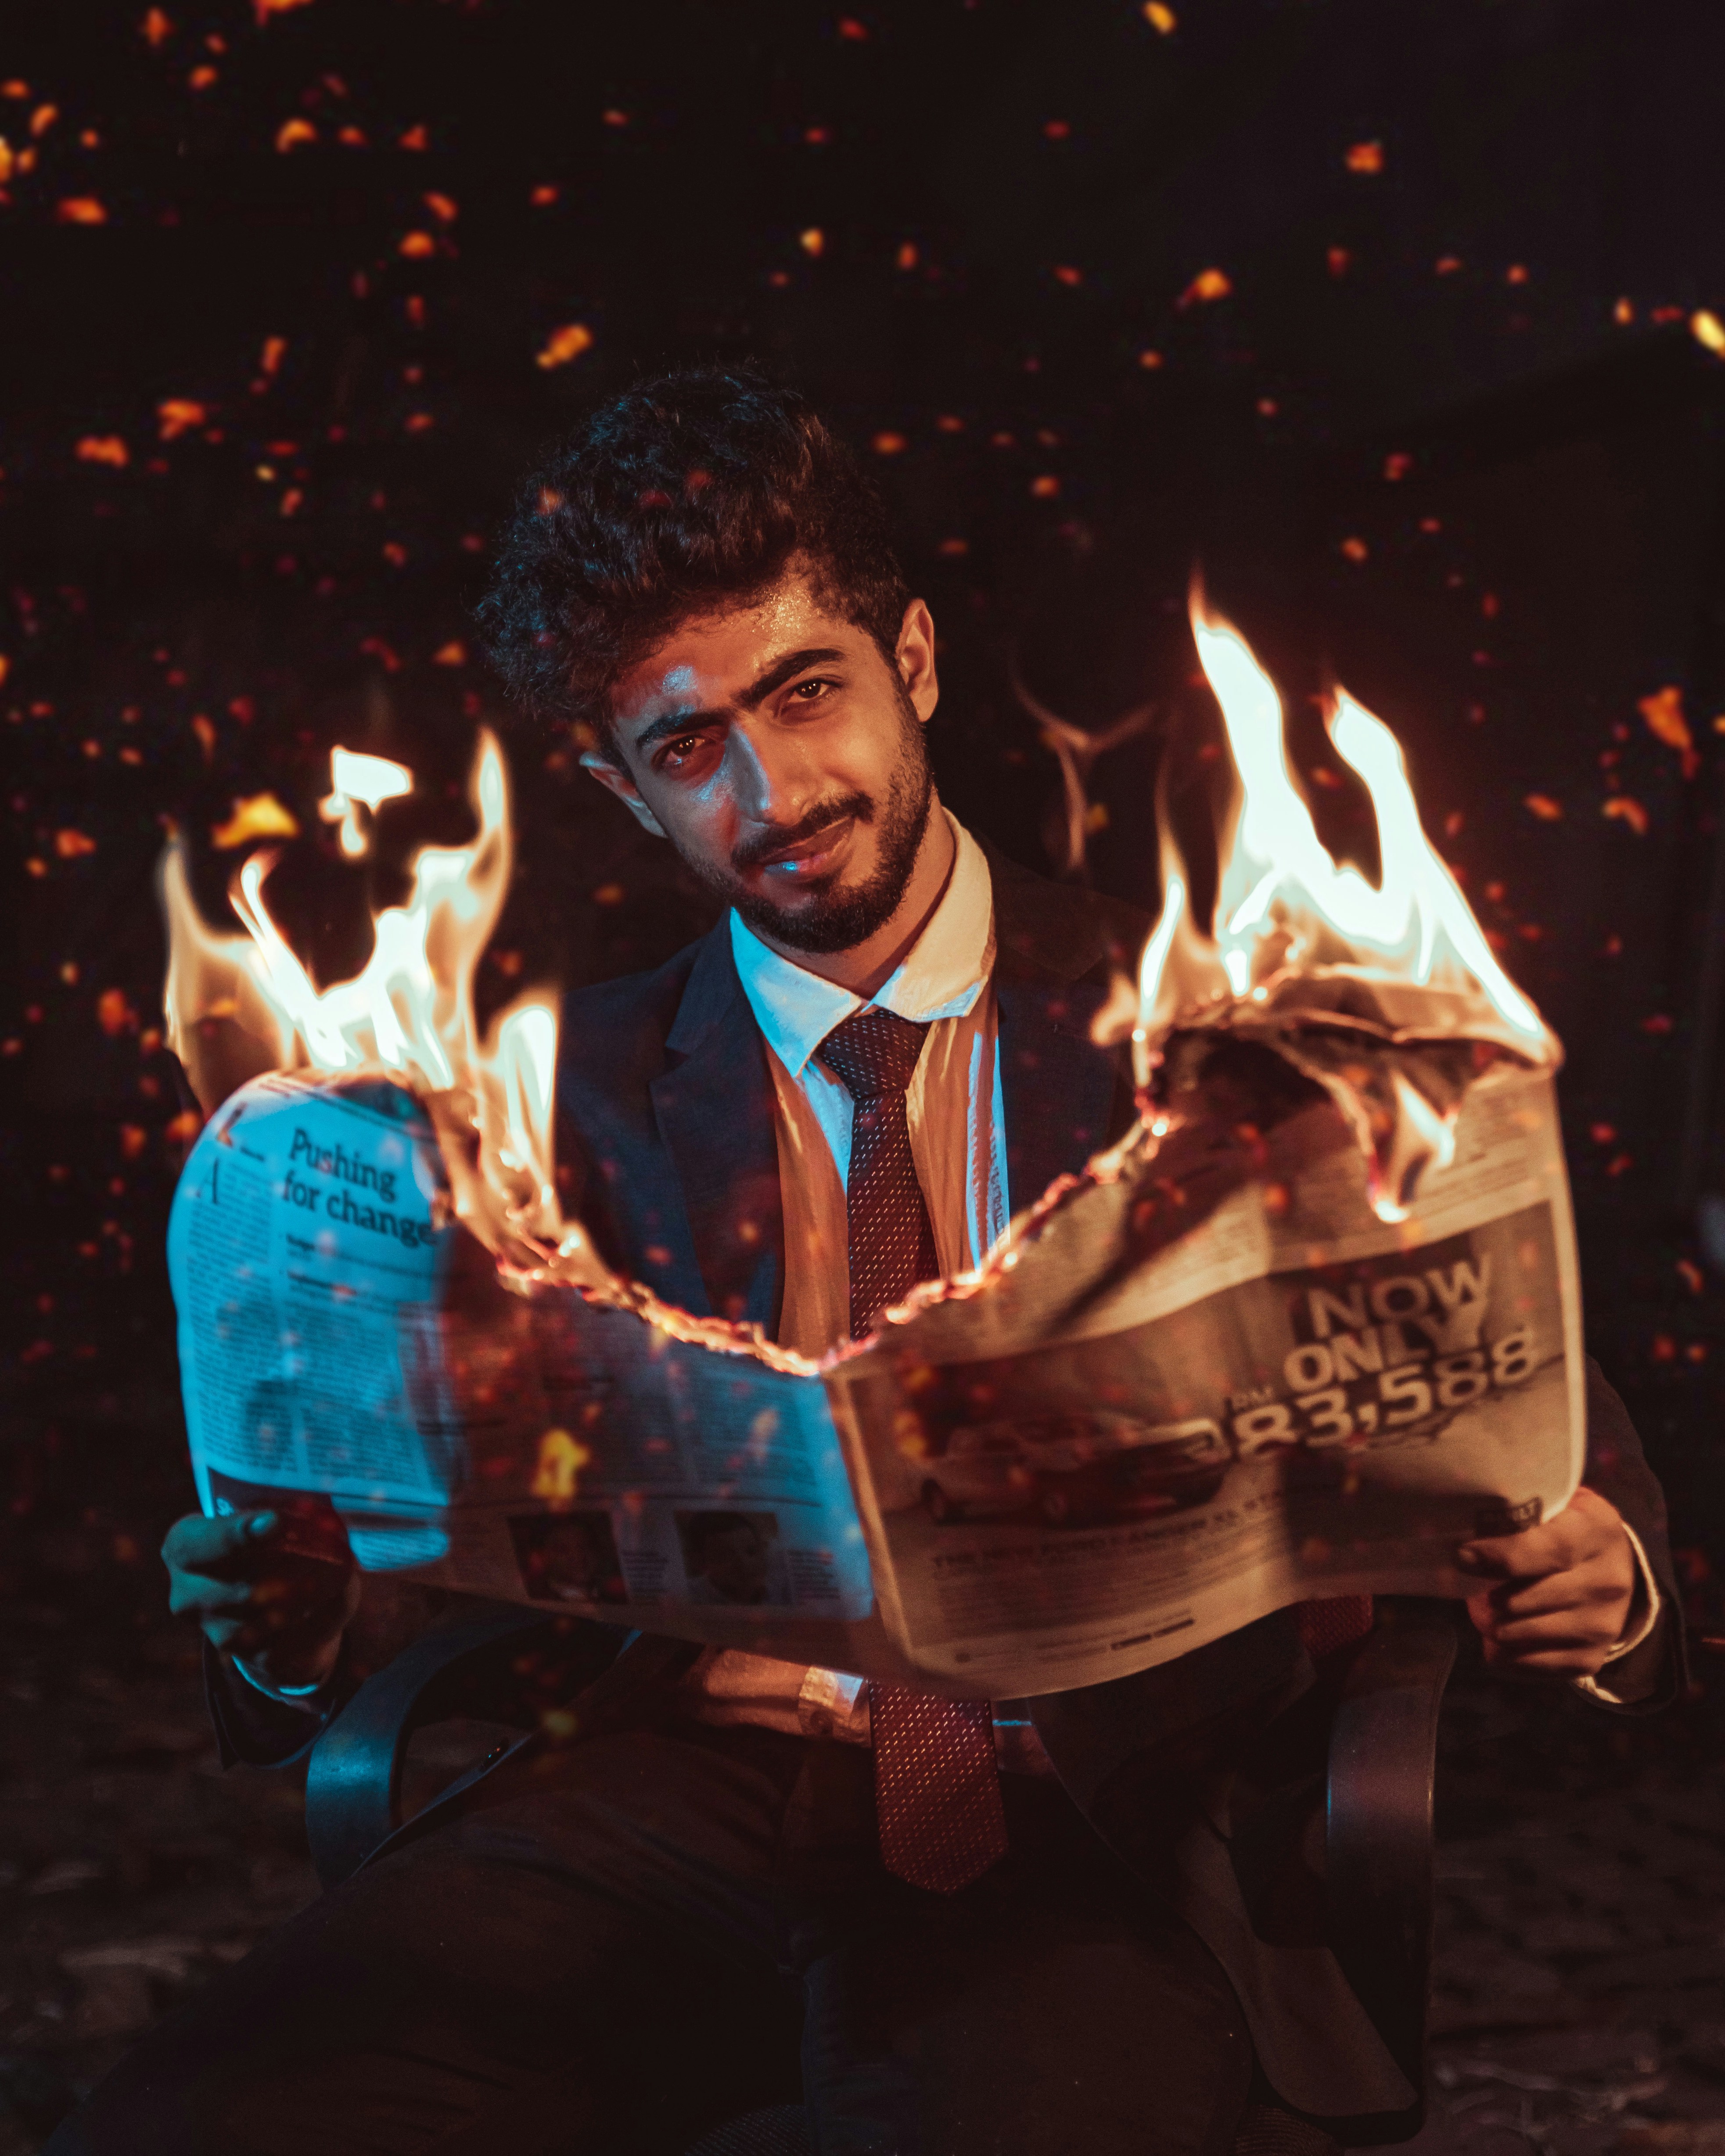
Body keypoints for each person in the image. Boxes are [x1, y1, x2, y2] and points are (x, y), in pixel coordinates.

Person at [56, 367, 1685, 2156]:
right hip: (671, 1799)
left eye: (805, 690)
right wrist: (299, 1616)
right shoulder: (549, 1094)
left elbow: (1511, 1384)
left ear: (907, 661)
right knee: (196, 2119)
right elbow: (421, 1533)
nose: (774, 785)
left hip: (1086, 1825)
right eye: (690, 745)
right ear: (619, 785)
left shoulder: (1208, 1012)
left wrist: (1600, 1557)